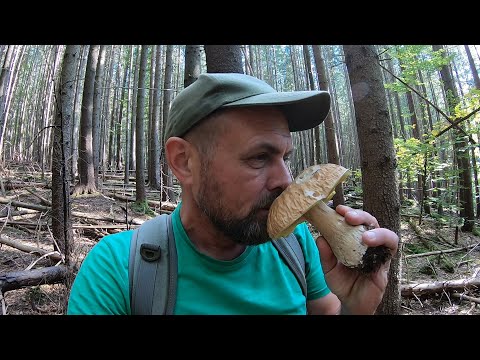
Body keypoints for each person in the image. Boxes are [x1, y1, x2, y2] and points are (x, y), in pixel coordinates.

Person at [67, 72, 399, 315]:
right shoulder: (118, 270)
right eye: (259, 157)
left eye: (286, 158)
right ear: (184, 163)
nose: (285, 181)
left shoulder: (297, 245)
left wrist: (355, 308)